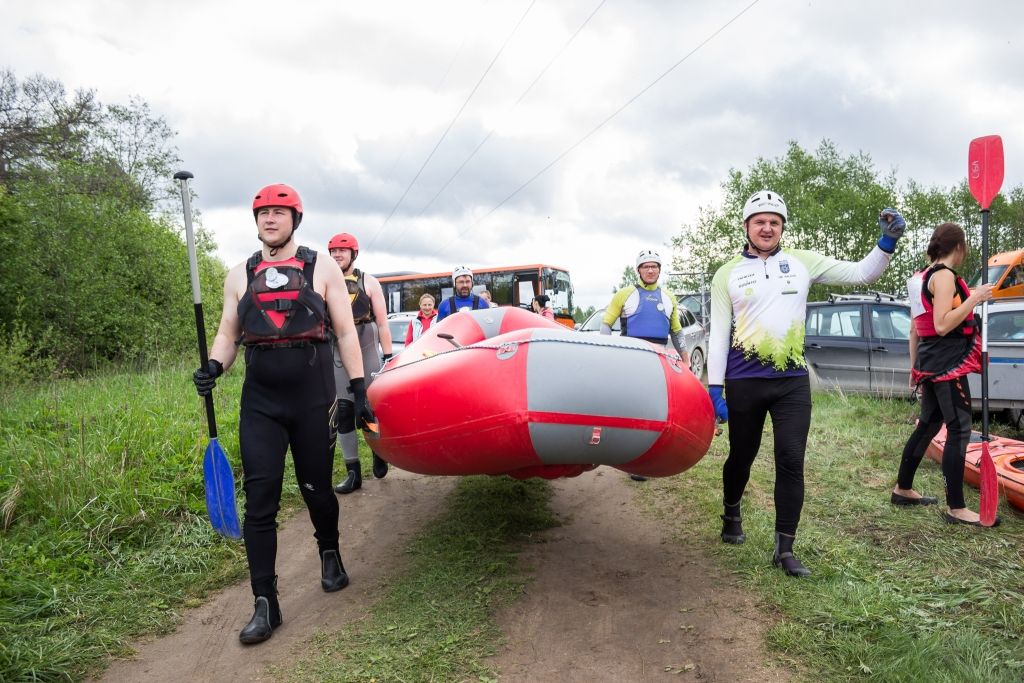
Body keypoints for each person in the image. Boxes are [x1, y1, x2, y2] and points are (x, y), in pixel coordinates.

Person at [191, 184, 375, 644]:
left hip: (312, 398)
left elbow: (347, 334)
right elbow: (228, 335)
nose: (270, 219)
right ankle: (265, 602)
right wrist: (214, 365)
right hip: (261, 403)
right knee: (260, 502)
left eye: (279, 212)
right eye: (263, 213)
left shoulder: (323, 266)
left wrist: (358, 389)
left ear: (295, 218)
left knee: (316, 489)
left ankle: (329, 552)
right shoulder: (239, 275)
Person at [707, 190, 905, 577]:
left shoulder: (802, 263)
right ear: (747, 227)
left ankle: (784, 549)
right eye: (760, 221)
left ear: (782, 228)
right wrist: (715, 389)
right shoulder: (726, 273)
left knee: (791, 460)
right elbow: (717, 335)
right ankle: (731, 511)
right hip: (744, 379)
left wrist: (887, 242)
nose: (767, 227)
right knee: (741, 457)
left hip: (792, 382)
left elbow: (860, 273)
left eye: (775, 222)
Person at [892, 222, 996, 525]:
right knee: (960, 429)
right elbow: (940, 325)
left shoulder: (920, 277)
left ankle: (903, 488)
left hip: (929, 362)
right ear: (959, 248)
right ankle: (956, 507)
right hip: (947, 364)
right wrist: (974, 299)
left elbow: (915, 328)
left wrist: (916, 367)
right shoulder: (945, 276)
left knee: (928, 425)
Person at [602, 249, 690, 482]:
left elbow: (676, 330)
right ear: (638, 270)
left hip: (659, 359)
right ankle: (627, 456)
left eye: (654, 266)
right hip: (633, 358)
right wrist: (603, 349)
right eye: (646, 266)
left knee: (655, 409)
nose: (650, 270)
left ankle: (646, 460)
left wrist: (685, 355)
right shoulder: (625, 294)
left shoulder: (668, 297)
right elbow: (606, 324)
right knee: (632, 407)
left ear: (660, 270)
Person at [327, 232, 394, 495]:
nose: (337, 256)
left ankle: (378, 452)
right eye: (333, 252)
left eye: (342, 251)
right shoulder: (325, 282)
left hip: (366, 348)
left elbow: (383, 322)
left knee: (367, 408)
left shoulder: (370, 282)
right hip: (337, 351)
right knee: (343, 412)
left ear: (353, 254)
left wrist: (388, 357)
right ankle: (353, 471)